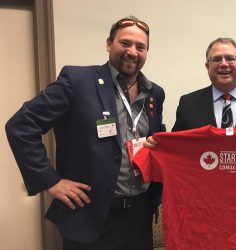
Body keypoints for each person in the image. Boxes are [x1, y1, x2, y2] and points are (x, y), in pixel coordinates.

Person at [6, 16, 165, 250]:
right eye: (125, 43)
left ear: (146, 53)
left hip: (138, 215)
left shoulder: (154, 93)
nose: (132, 51)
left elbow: (155, 138)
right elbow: (21, 125)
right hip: (91, 216)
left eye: (140, 47)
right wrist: (51, 180)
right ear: (109, 43)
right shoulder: (78, 81)